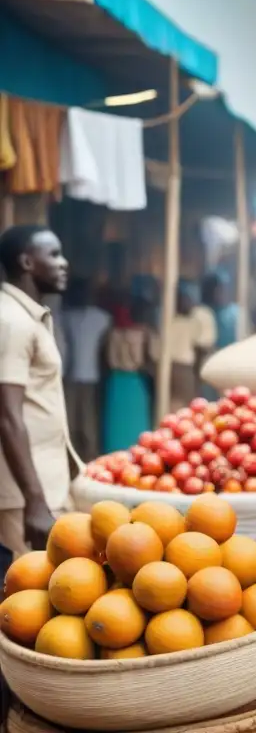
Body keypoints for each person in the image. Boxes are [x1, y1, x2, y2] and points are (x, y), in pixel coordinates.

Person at [0, 225, 77, 557]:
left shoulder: (27, 318)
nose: (64, 263)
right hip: (24, 495)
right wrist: (34, 501)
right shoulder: (12, 322)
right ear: (27, 263)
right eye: (54, 255)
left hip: (45, 486)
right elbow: (7, 416)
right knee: (29, 600)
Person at [60, 277, 112, 462]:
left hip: (81, 375)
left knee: (80, 420)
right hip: (81, 375)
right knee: (80, 420)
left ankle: (81, 458)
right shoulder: (101, 317)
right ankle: (81, 458)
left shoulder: (70, 316)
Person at [149, 280, 215, 412]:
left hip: (178, 368)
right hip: (179, 369)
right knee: (180, 408)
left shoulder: (194, 318)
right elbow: (201, 349)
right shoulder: (167, 317)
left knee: (174, 406)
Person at [102, 298, 153, 452]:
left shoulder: (112, 333)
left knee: (116, 424)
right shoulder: (143, 333)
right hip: (134, 381)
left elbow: (105, 358)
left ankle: (112, 455)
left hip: (116, 381)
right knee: (135, 424)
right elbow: (149, 358)